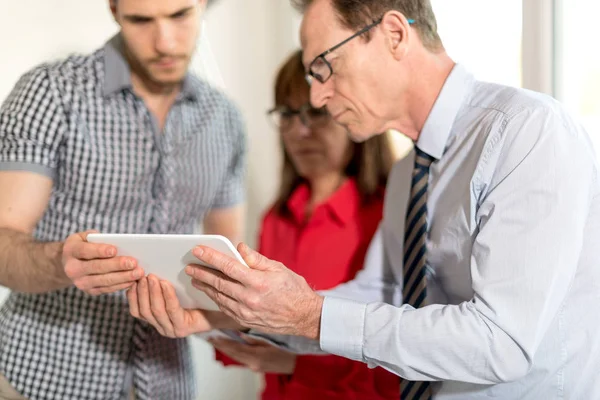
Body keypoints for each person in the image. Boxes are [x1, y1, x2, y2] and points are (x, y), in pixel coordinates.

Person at [129, 0, 600, 399]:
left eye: (323, 67)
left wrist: (310, 315)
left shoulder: (527, 134)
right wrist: (228, 314)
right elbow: (380, 294)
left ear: (394, 34)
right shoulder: (408, 175)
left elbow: (503, 344)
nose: (316, 97)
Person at [0, 0, 246, 399]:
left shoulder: (225, 120)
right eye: (141, 20)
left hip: (167, 381)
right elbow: (3, 240)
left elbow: (229, 258)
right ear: (114, 10)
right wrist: (61, 262)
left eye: (180, 15)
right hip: (45, 377)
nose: (164, 42)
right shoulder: (51, 92)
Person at [208, 49, 399, 400]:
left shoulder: (389, 214)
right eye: (287, 114)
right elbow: (257, 329)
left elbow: (400, 354)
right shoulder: (276, 217)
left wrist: (296, 364)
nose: (300, 131)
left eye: (315, 114)